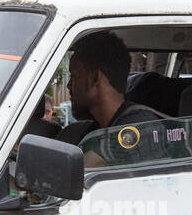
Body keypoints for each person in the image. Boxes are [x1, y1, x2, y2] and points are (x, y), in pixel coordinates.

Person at [59, 31, 170, 168]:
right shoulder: (94, 129)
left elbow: (73, 171)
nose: (69, 85)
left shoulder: (140, 126)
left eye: (74, 76)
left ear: (95, 78)